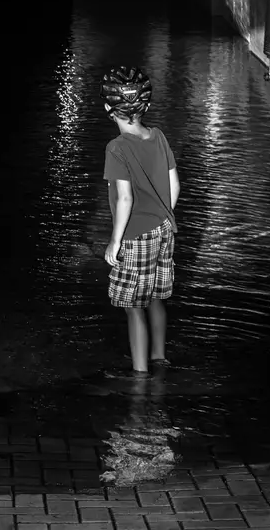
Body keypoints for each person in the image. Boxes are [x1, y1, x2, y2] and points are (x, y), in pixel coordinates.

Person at [100, 66, 181, 377]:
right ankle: (160, 358)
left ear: (109, 108)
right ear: (145, 106)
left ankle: (140, 374)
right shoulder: (158, 136)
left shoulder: (116, 148)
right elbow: (175, 185)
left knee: (134, 307)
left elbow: (124, 199)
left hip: (135, 235)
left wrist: (115, 241)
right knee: (158, 298)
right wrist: (164, 215)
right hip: (164, 229)